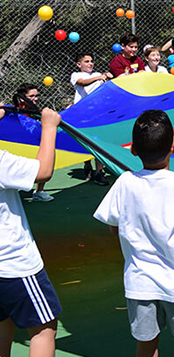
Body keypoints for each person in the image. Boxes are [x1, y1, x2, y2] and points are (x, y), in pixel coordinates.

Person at [94, 109, 174, 357]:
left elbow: (112, 225)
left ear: (134, 150)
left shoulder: (125, 182)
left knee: (146, 349)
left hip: (140, 285)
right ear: (173, 147)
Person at [0, 105, 63, 357]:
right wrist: (49, 127)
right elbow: (43, 171)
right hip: (13, 263)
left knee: (4, 322)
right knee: (43, 328)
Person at [70, 52, 112, 186]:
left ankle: (99, 172)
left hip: (97, 114)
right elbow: (82, 83)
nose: (90, 64)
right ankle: (87, 165)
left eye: (92, 61)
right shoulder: (76, 75)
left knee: (98, 141)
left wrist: (108, 78)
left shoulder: (97, 75)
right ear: (79, 64)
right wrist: (100, 77)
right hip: (81, 114)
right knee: (84, 141)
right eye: (87, 61)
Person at [12, 85, 58, 201]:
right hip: (19, 146)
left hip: (34, 144)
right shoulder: (13, 112)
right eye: (31, 96)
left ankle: (39, 191)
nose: (35, 98)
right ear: (22, 98)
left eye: (37, 95)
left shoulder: (36, 111)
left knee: (44, 162)